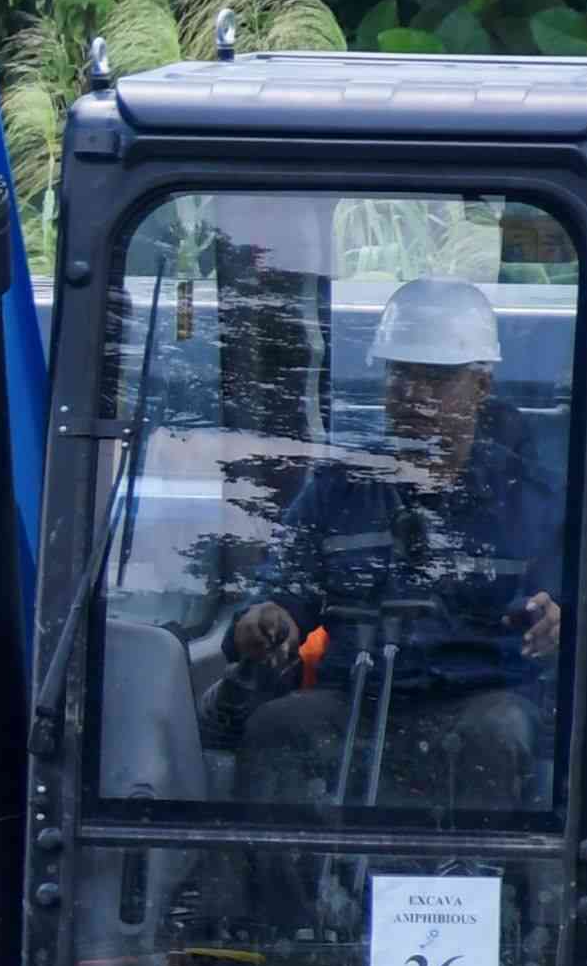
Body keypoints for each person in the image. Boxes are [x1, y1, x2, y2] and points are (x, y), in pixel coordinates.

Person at [216, 276, 567, 821]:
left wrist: (558, 619)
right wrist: (265, 619)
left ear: (480, 387)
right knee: (277, 728)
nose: (414, 396)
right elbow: (281, 593)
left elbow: (574, 612)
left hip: (480, 698)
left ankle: (481, 897)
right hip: (354, 698)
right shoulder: (338, 487)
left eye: (436, 379)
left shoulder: (530, 498)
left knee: (496, 734)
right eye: (401, 375)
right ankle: (282, 906)